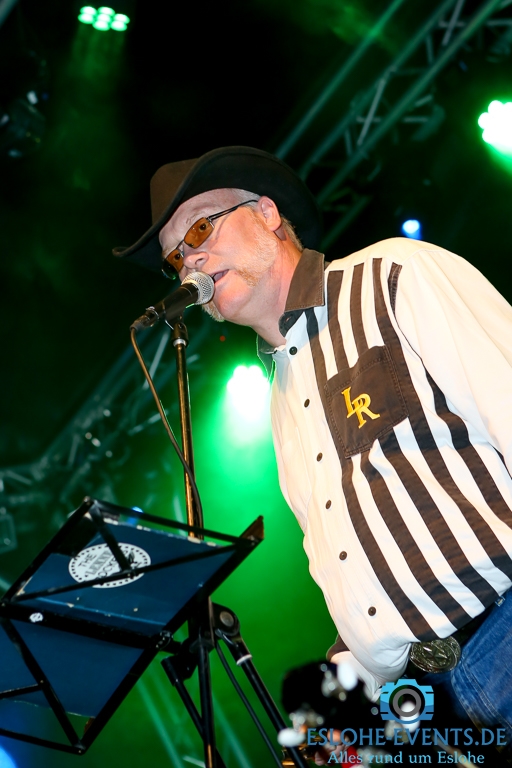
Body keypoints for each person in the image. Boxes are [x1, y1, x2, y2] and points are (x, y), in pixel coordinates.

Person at [114, 146, 512, 752]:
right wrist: (338, 709)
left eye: (199, 229)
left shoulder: (391, 276)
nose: (188, 259)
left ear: (267, 213)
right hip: (429, 702)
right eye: (175, 257)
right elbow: (358, 579)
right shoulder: (281, 398)